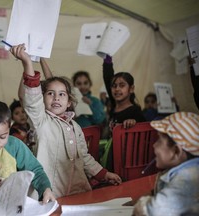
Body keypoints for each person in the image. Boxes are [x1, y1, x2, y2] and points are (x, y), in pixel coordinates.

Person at [9, 44, 122, 199]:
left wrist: (104, 174)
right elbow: (32, 98)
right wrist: (27, 63)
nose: (56, 97)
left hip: (79, 192)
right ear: (42, 99)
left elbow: (84, 157)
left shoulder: (75, 127)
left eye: (62, 94)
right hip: (49, 196)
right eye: (50, 93)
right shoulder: (40, 120)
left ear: (69, 102)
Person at [133, 112, 199, 216]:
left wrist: (141, 204)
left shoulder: (187, 179)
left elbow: (152, 211)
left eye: (159, 140)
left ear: (176, 151)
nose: (154, 145)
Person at [101, 55, 146, 171]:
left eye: (122, 86)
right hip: (110, 155)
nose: (117, 89)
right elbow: (107, 78)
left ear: (131, 89)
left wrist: (134, 123)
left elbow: (144, 135)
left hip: (126, 161)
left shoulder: (135, 111)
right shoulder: (114, 105)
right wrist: (107, 62)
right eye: (114, 86)